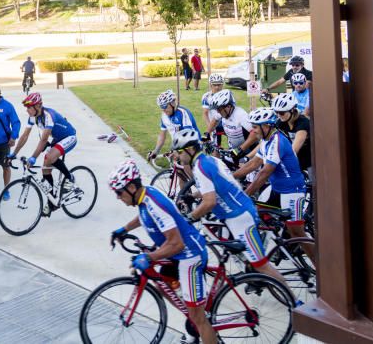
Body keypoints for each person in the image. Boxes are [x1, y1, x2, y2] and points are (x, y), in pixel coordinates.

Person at [108, 160, 216, 344]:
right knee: (162, 284)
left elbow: (176, 244)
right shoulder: (144, 196)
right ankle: (195, 314)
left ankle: (197, 320)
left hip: (189, 257)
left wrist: (149, 256)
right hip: (177, 256)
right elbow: (144, 216)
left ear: (132, 187)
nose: (118, 197)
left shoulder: (153, 203)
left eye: (119, 192)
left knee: (199, 319)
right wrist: (124, 229)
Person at [172, 129, 290, 289]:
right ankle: (253, 276)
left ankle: (295, 304)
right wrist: (193, 196)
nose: (177, 156)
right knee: (238, 252)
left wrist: (190, 217)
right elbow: (214, 187)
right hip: (236, 214)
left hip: (240, 218)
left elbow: (209, 202)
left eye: (179, 151)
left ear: (190, 149)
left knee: (262, 264)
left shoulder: (200, 168)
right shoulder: (209, 161)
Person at [233, 107, 311, 248]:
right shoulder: (266, 140)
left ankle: (319, 267)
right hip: (276, 188)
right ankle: (275, 240)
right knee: (254, 212)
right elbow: (254, 163)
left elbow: (264, 173)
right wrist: (231, 177)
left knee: (298, 234)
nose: (253, 131)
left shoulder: (277, 142)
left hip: (292, 191)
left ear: (266, 126)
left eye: (255, 127)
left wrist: (245, 194)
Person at [12, 92, 79, 212]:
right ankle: (52, 201)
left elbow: (43, 140)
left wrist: (33, 158)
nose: (27, 110)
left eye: (29, 107)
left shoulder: (49, 115)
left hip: (69, 137)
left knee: (49, 157)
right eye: (26, 107)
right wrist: (14, 153)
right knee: (45, 168)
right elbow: (24, 136)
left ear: (37, 106)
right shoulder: (33, 117)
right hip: (58, 139)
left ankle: (70, 178)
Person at [147, 89, 199, 162]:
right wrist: (156, 151)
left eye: (165, 106)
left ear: (173, 103)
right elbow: (162, 135)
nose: (163, 110)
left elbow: (188, 135)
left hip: (192, 145)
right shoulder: (164, 116)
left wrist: (177, 151)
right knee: (176, 169)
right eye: (161, 107)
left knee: (184, 166)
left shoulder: (183, 113)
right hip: (179, 146)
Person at [205, 89, 256, 158]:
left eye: (219, 109)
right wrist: (207, 134)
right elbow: (215, 119)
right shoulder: (223, 113)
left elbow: (255, 134)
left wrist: (240, 149)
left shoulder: (240, 115)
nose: (218, 111)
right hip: (234, 149)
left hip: (248, 151)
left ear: (228, 106)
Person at [271, 93, 312, 176]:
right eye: (276, 112)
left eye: (282, 113)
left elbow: (294, 149)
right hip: (295, 160)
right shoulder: (281, 122)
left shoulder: (303, 123)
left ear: (292, 110)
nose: (279, 115)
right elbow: (270, 140)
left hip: (309, 161)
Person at [201, 74, 226, 143]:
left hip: (227, 124)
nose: (217, 87)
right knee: (216, 148)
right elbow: (205, 113)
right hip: (214, 125)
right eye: (214, 85)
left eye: (219, 84)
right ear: (210, 85)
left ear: (222, 84)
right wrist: (210, 127)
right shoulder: (206, 97)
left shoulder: (227, 95)